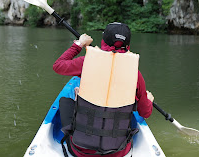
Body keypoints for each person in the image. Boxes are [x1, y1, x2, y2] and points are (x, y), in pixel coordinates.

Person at [53, 22, 154, 157]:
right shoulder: (135, 73)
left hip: (80, 151)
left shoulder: (86, 61)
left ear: (103, 40)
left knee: (65, 101)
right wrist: (148, 101)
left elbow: (58, 66)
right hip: (118, 152)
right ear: (128, 46)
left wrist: (79, 44)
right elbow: (145, 112)